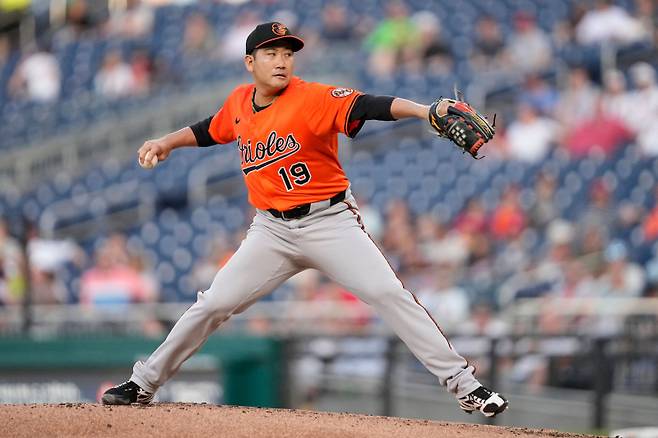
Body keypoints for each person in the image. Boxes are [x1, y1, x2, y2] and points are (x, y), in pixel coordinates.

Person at [101, 22, 508, 418]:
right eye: (271, 53)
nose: (281, 61)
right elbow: (212, 128)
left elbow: (371, 105)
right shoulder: (240, 102)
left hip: (329, 222)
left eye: (287, 53)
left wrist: (425, 111)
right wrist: (167, 142)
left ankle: (466, 386)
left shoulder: (313, 97)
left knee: (389, 294)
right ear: (249, 62)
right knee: (212, 305)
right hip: (271, 231)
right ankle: (143, 385)